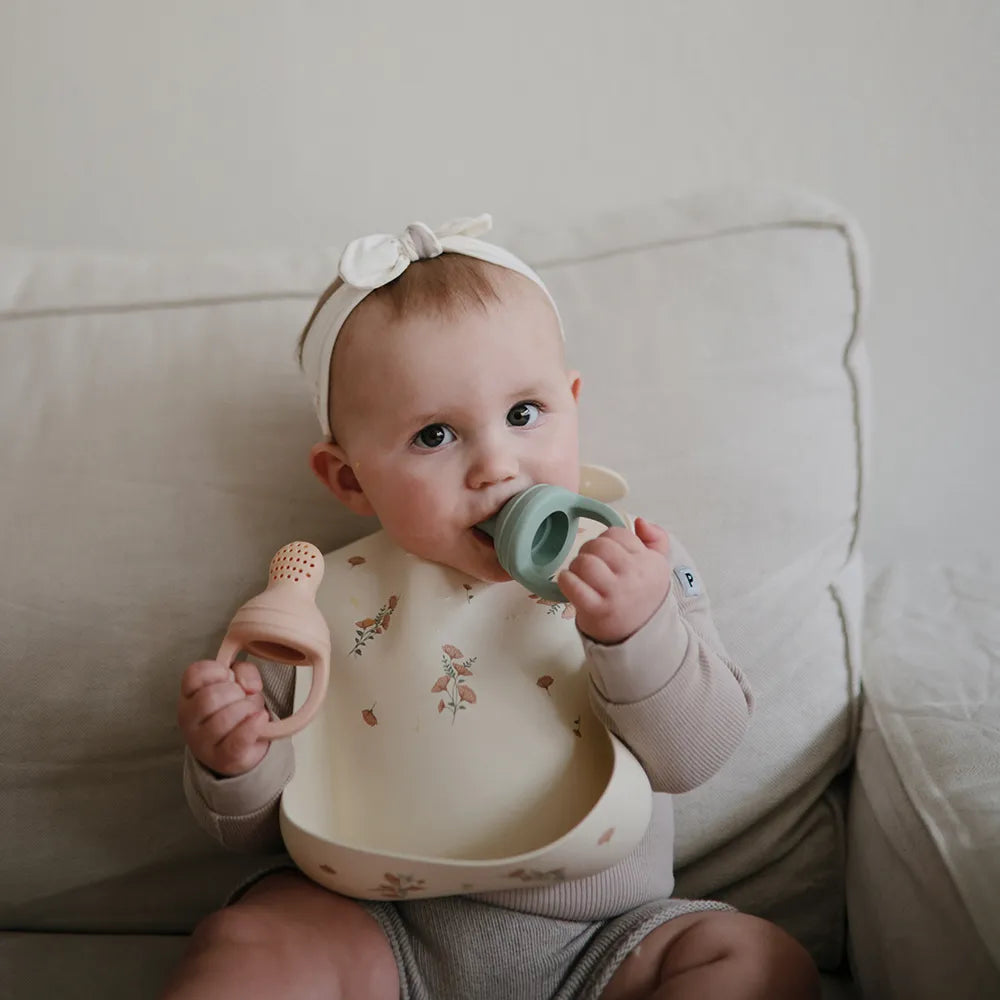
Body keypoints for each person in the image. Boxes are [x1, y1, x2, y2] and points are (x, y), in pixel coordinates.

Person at [166, 217, 820, 999]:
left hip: (603, 941)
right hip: (376, 931)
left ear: (571, 405)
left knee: (758, 962)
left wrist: (637, 633)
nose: (496, 467)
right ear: (349, 479)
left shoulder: (635, 567)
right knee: (248, 942)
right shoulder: (312, 601)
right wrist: (234, 759)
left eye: (523, 414)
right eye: (435, 435)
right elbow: (253, 831)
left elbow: (695, 756)